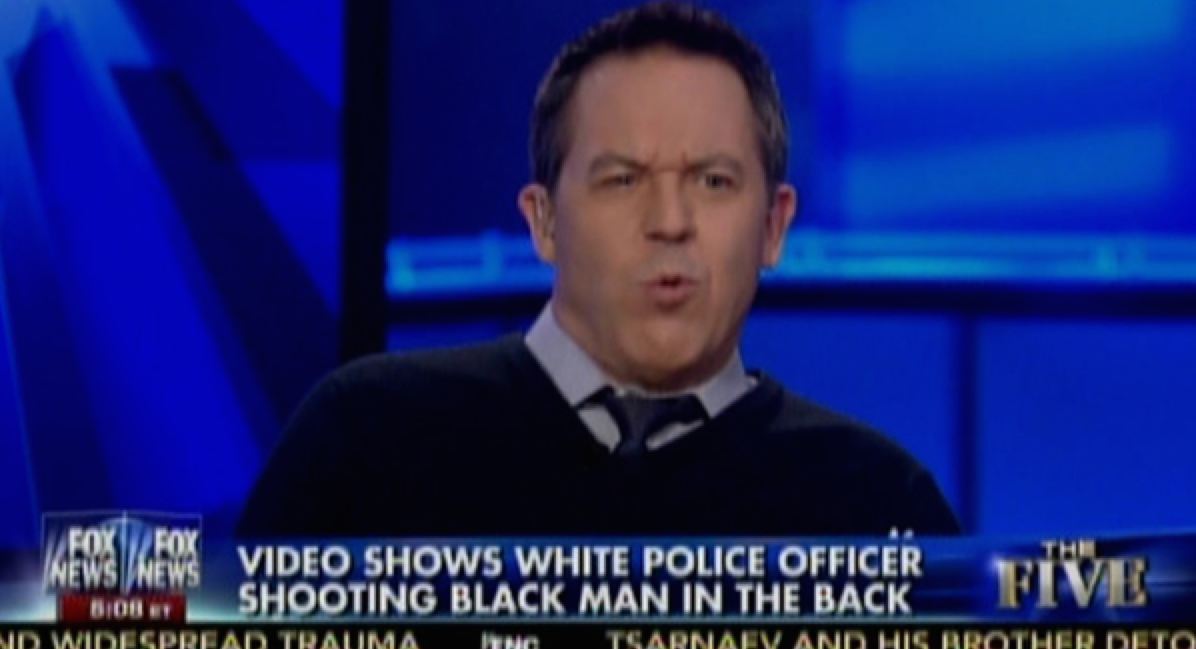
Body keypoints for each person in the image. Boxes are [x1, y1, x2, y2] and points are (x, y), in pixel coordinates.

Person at [236, 1, 961, 538]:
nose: (670, 220)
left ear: (774, 226)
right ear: (543, 221)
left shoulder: (880, 504)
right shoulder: (365, 439)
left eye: (713, 181)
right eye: (622, 180)